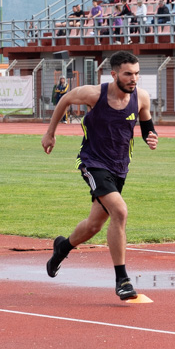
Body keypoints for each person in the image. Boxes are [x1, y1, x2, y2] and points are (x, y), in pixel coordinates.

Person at [42, 50, 159, 302]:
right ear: (114, 74)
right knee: (120, 211)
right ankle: (122, 280)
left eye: (136, 74)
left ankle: (62, 247)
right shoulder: (94, 94)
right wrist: (50, 133)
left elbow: (147, 124)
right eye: (128, 74)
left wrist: (151, 137)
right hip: (93, 162)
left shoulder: (141, 97)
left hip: (120, 167)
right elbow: (64, 100)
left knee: (94, 225)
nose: (133, 79)